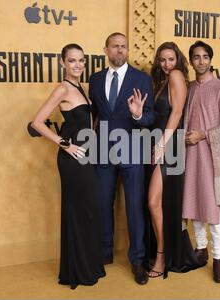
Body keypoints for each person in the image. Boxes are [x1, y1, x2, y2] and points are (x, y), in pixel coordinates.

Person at [31, 43, 105, 289]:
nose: (78, 65)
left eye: (81, 60)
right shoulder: (62, 88)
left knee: (87, 211)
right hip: (73, 160)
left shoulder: (80, 87)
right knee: (78, 212)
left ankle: (87, 265)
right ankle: (77, 271)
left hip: (87, 156)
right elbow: (37, 122)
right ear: (63, 63)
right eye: (72, 61)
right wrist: (64, 143)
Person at [89, 32, 154, 285]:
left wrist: (138, 115)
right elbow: (91, 115)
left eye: (124, 47)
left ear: (128, 50)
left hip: (132, 151)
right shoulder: (94, 79)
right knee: (102, 203)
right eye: (115, 47)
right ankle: (104, 253)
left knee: (134, 207)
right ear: (106, 49)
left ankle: (137, 261)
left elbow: (150, 117)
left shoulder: (141, 78)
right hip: (103, 151)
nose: (120, 51)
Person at [145, 42, 203, 279]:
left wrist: (161, 145)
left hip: (169, 146)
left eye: (171, 59)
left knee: (153, 201)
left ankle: (161, 256)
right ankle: (162, 251)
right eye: (163, 60)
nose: (167, 64)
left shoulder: (177, 75)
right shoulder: (163, 81)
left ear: (178, 60)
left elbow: (177, 113)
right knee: (161, 203)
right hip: (162, 144)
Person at [183, 41, 220, 283]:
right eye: (196, 57)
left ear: (211, 60)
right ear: (191, 61)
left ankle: (218, 257)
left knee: (213, 208)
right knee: (193, 202)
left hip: (213, 155)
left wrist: (202, 134)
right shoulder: (189, 88)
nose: (201, 61)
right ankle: (200, 247)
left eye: (205, 56)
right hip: (190, 154)